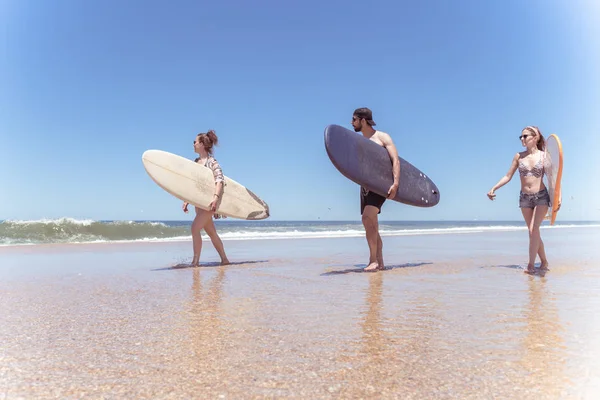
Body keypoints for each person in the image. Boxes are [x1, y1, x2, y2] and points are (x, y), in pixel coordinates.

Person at [487, 126, 560, 274]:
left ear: (535, 138)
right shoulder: (518, 156)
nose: (522, 139)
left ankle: (531, 266)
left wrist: (558, 198)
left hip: (541, 196)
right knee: (533, 232)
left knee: (534, 229)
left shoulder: (544, 156)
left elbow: (554, 179)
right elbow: (508, 176)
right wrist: (494, 188)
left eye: (525, 136)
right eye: (521, 137)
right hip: (525, 199)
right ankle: (544, 262)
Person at [351, 108, 400, 272]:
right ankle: (380, 261)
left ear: (363, 120)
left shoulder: (382, 137)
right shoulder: (359, 142)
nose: (352, 123)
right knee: (371, 224)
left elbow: (395, 160)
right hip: (365, 187)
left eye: (354, 120)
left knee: (367, 217)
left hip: (380, 185)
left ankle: (372, 260)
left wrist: (396, 183)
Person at [182, 130, 230, 267]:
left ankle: (195, 262)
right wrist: (186, 200)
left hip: (209, 204)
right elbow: (193, 185)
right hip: (199, 204)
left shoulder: (212, 162)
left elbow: (219, 180)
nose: (193, 144)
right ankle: (225, 259)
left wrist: (215, 199)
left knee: (194, 229)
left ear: (202, 144)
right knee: (212, 233)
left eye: (195, 142)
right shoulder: (195, 162)